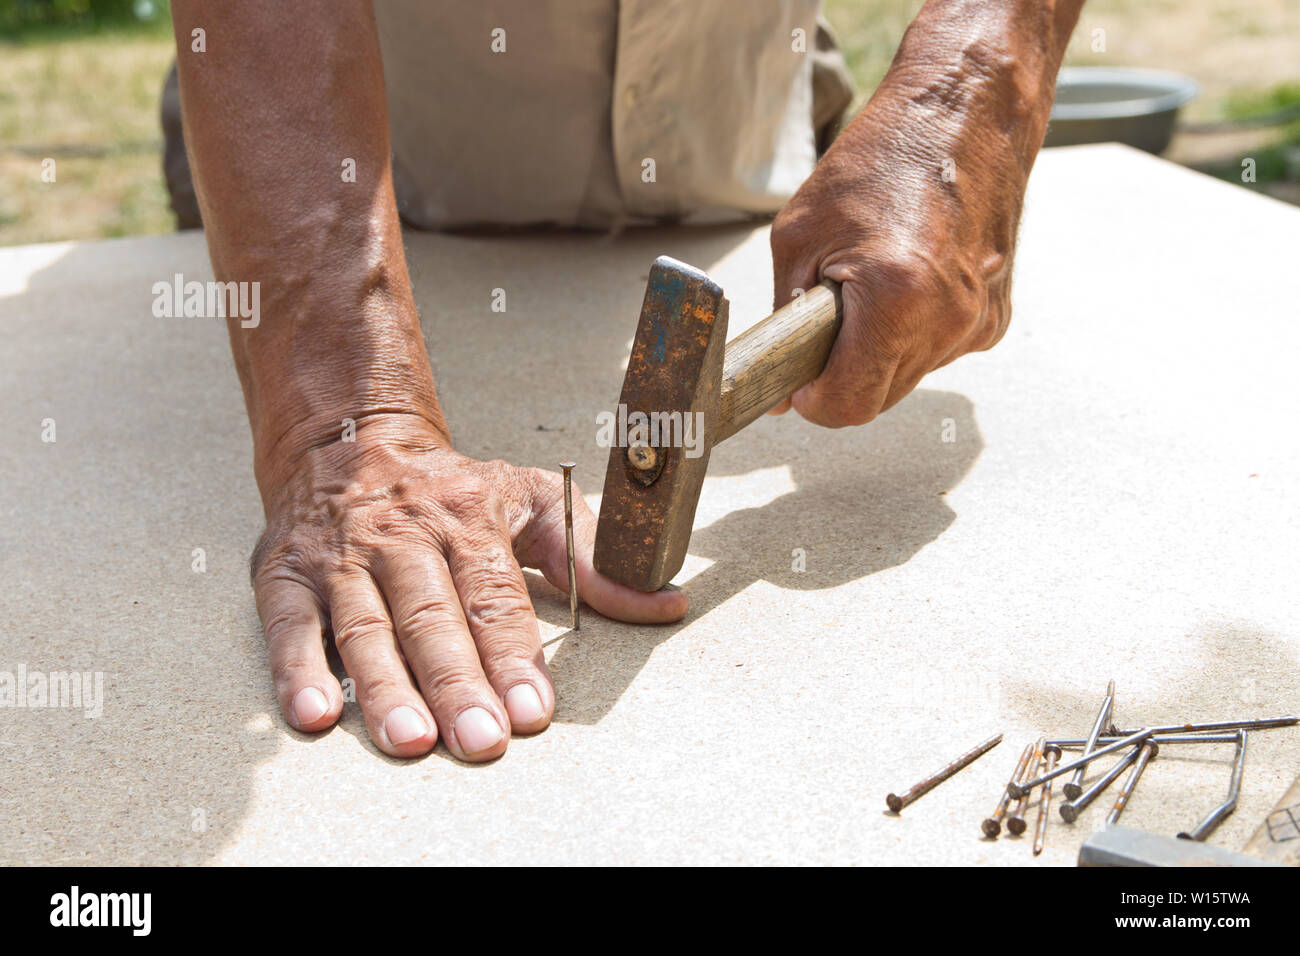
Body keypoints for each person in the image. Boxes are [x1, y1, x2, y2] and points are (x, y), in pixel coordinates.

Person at [166, 0, 1083, 762]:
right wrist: (353, 422)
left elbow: (984, 60)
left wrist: (972, 85)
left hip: (747, 116)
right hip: (348, 150)